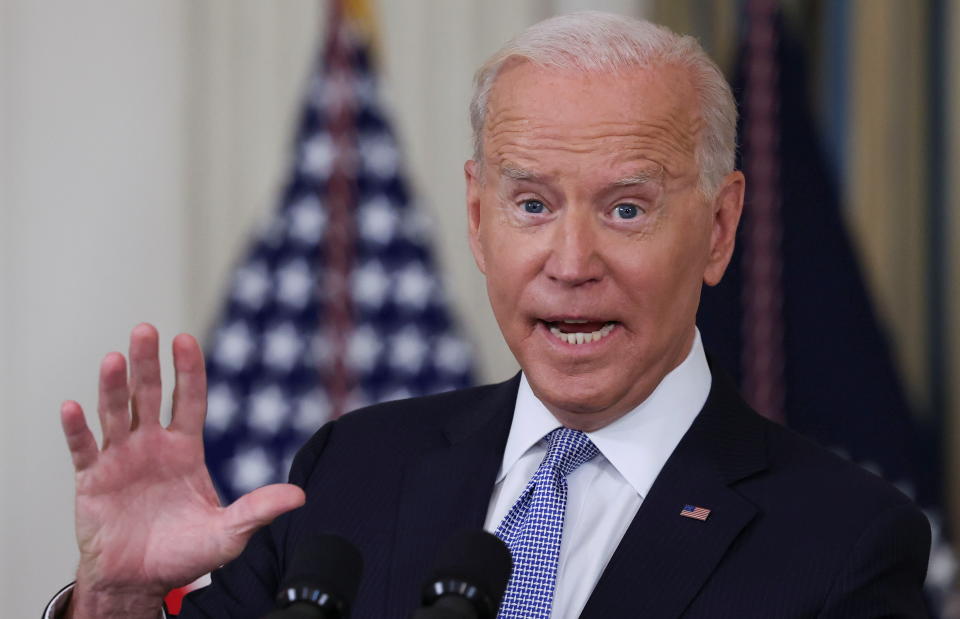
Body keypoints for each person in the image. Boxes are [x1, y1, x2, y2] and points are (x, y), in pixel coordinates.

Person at [47, 12, 930, 619]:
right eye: (533, 205)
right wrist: (117, 602)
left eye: (626, 208)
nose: (572, 263)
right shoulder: (352, 470)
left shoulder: (845, 540)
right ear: (477, 217)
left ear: (720, 226)